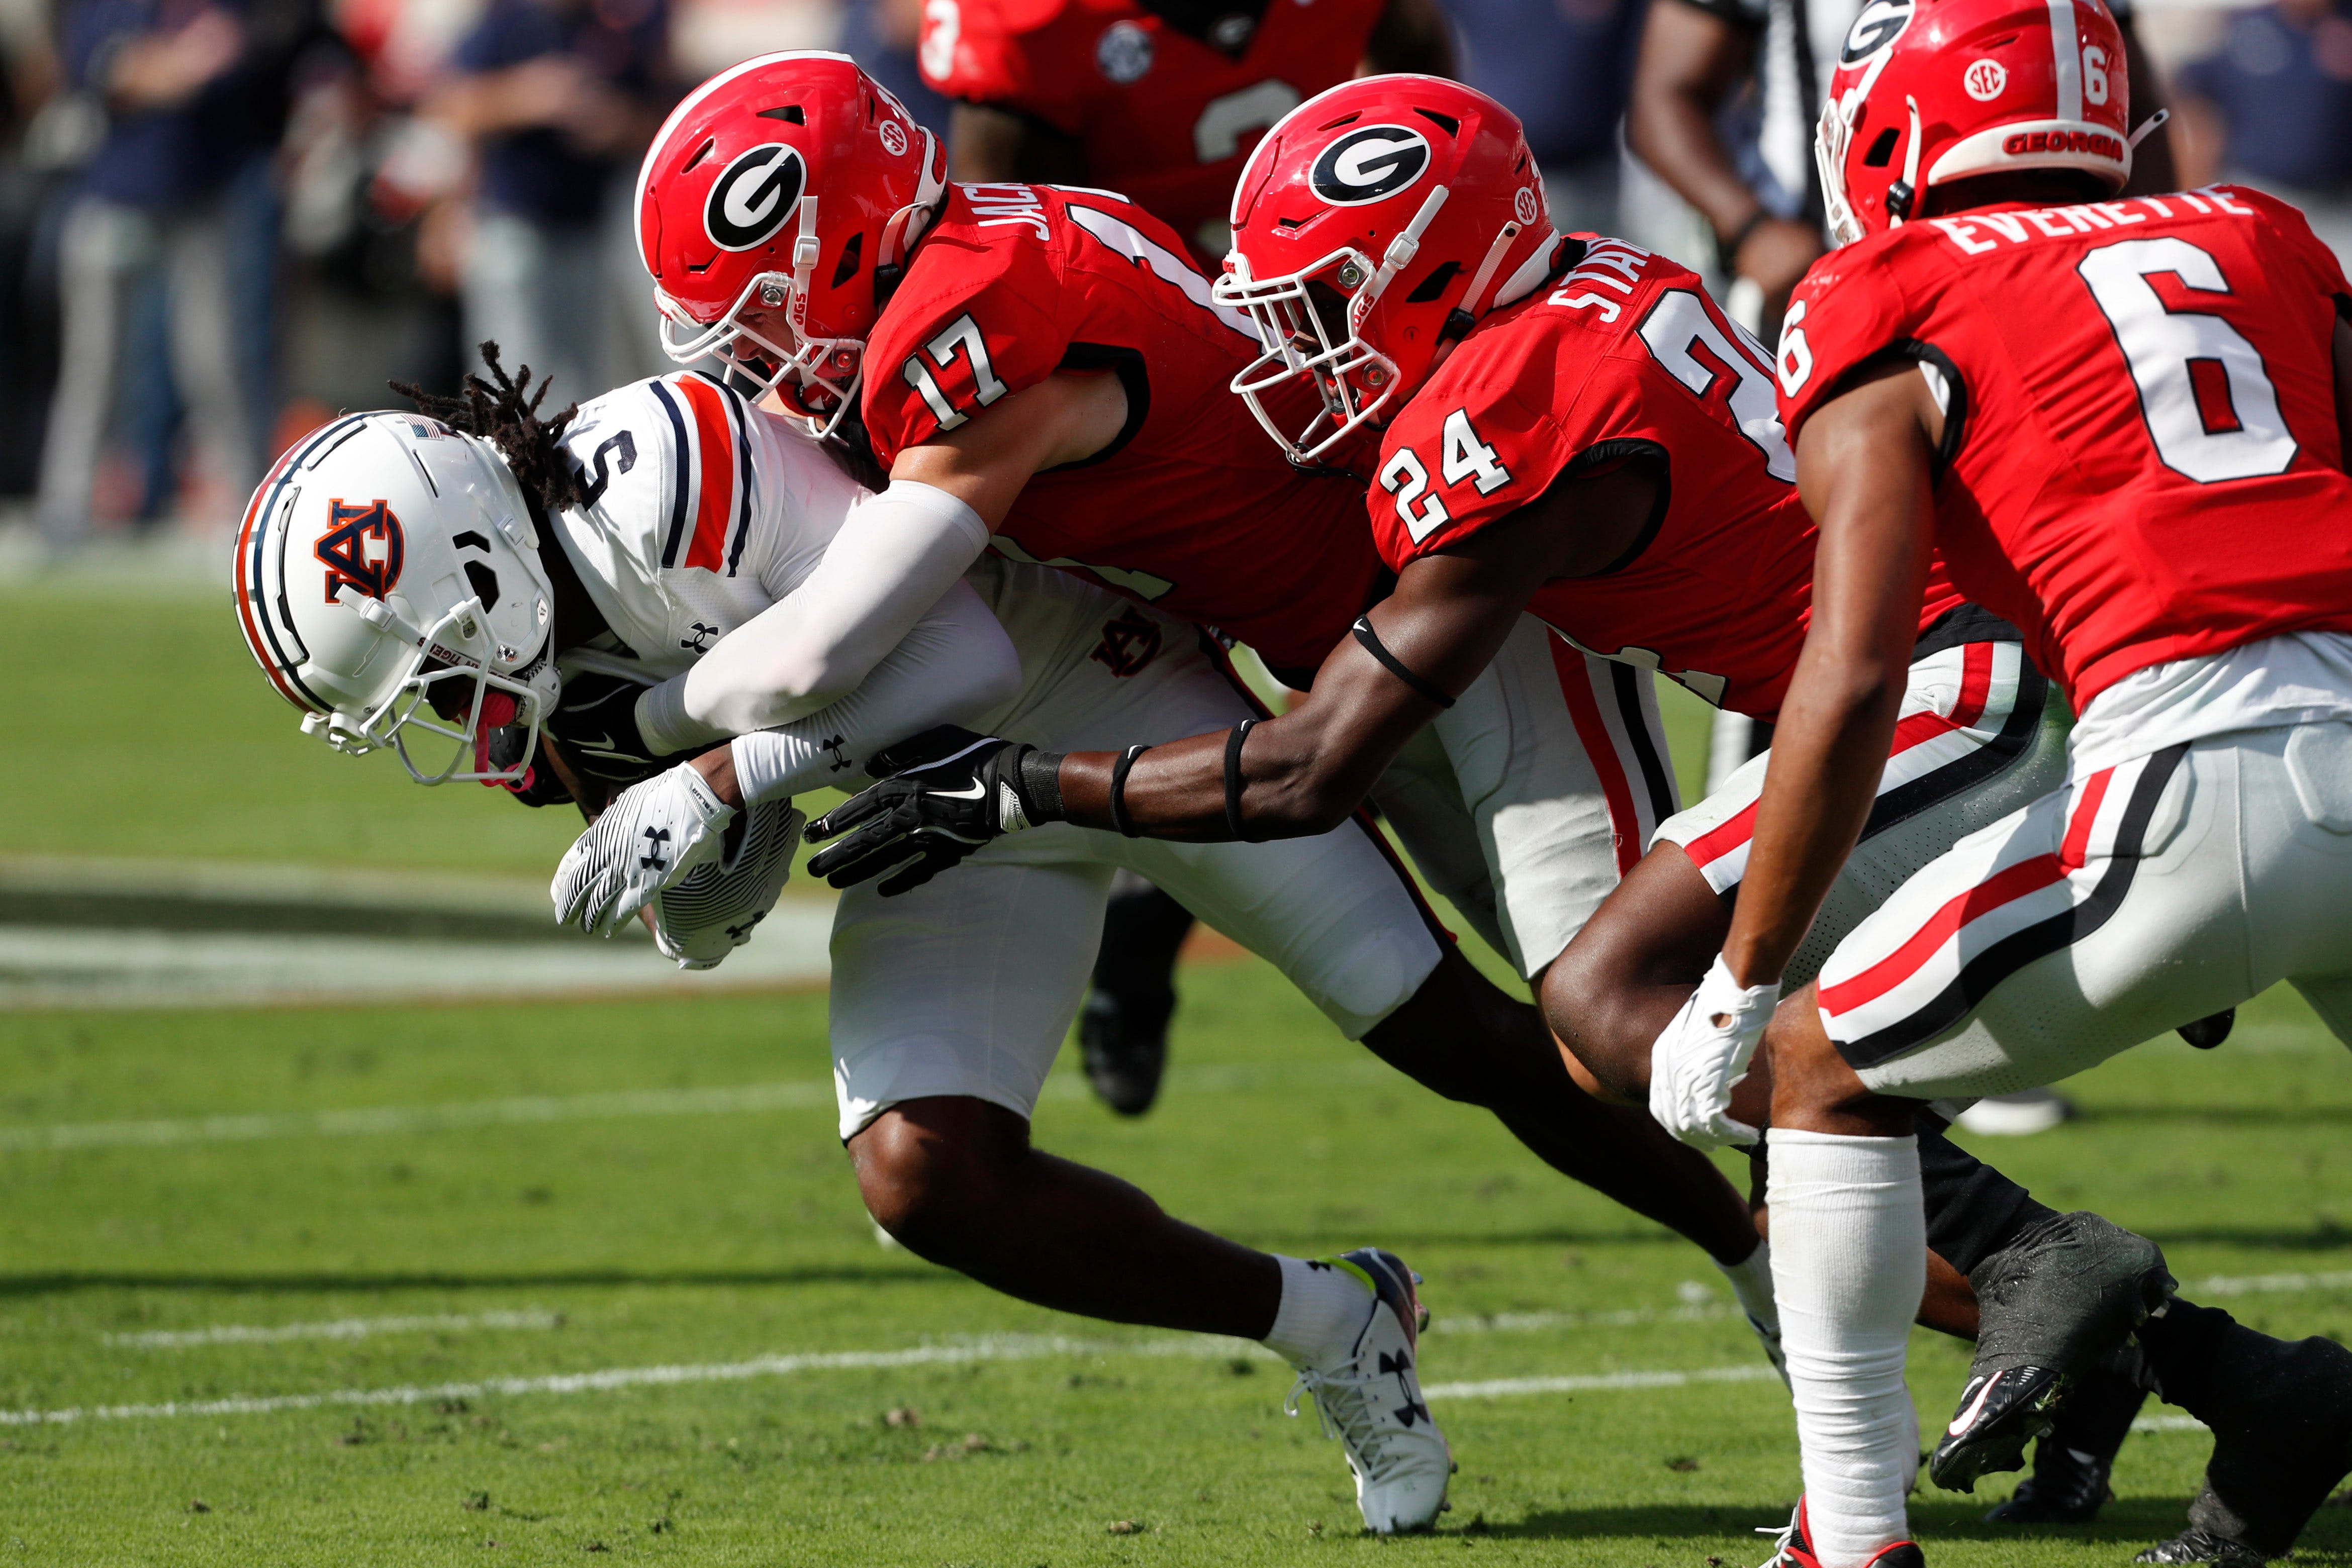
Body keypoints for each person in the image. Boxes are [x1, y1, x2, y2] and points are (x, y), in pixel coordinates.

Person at [798, 72, 2352, 1564]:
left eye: (1323, 303)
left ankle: (2007, 1335)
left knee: (1631, 1013)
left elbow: (1302, 772)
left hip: (1943, 689)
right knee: (1683, 1033)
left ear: (1434, 274)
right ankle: (2179, 1361)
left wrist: (1019, 780)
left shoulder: (1505, 404)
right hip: (1935, 679)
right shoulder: (1560, 297)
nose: (1294, 351)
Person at [1634, 0, 2352, 1557]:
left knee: (1820, 1071)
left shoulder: (1876, 287)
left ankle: (1842, 1531)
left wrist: (1740, 977)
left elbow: (1851, 668)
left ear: (1887, 128)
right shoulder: (2258, 230)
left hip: (2189, 760)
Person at [915, 0, 1454, 1112]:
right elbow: (996, 235)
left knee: (1352, 668)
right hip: (1138, 376)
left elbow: (1423, 86)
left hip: (1322, 340)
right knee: (1164, 668)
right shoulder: (1029, 25)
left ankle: (1164, 918)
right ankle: (1143, 928)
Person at [425, 0, 677, 405]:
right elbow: (447, 108)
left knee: (582, 386)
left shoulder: (616, 25)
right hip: (513, 226)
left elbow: (664, 124)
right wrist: (526, 96)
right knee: (509, 380)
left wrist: (615, 124)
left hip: (589, 233)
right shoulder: (509, 19)